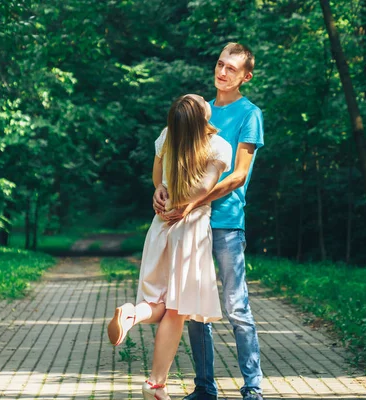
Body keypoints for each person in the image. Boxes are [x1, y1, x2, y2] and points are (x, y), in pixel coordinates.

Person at [155, 43, 265, 400]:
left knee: (236, 306)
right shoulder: (196, 110)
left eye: (232, 68)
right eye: (220, 64)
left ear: (245, 76)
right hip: (187, 224)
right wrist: (159, 187)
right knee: (194, 306)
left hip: (226, 222)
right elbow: (164, 154)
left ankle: (253, 387)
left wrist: (192, 202)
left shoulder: (249, 114)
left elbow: (237, 176)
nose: (222, 72)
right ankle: (205, 387)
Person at [107, 94, 233, 400]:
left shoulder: (166, 137)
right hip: (189, 230)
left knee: (160, 302)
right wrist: (185, 204)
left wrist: (162, 192)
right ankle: (155, 382)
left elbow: (156, 179)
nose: (204, 98)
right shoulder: (218, 146)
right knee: (177, 309)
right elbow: (205, 188)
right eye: (200, 101)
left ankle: (132, 317)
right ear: (201, 118)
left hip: (160, 226)